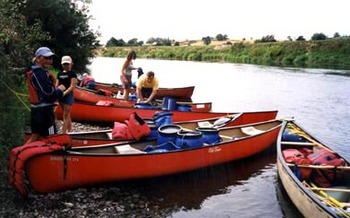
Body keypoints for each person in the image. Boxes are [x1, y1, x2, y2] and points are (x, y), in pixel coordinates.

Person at [26, 47, 66, 143]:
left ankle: (19, 155)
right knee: (52, 136)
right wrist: (60, 90)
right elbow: (49, 93)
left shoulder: (39, 72)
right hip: (44, 112)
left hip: (38, 110)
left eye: (51, 58)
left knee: (35, 136)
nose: (50, 60)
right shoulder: (40, 73)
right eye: (47, 58)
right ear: (38, 58)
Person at [56, 56, 77, 133]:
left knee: (65, 115)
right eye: (64, 64)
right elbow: (57, 84)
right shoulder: (59, 73)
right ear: (62, 65)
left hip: (68, 95)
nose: (66, 66)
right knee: (67, 115)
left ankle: (63, 133)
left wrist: (64, 93)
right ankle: (70, 130)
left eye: (67, 64)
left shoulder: (72, 73)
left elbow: (72, 86)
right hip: (61, 96)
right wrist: (56, 92)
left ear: (71, 64)